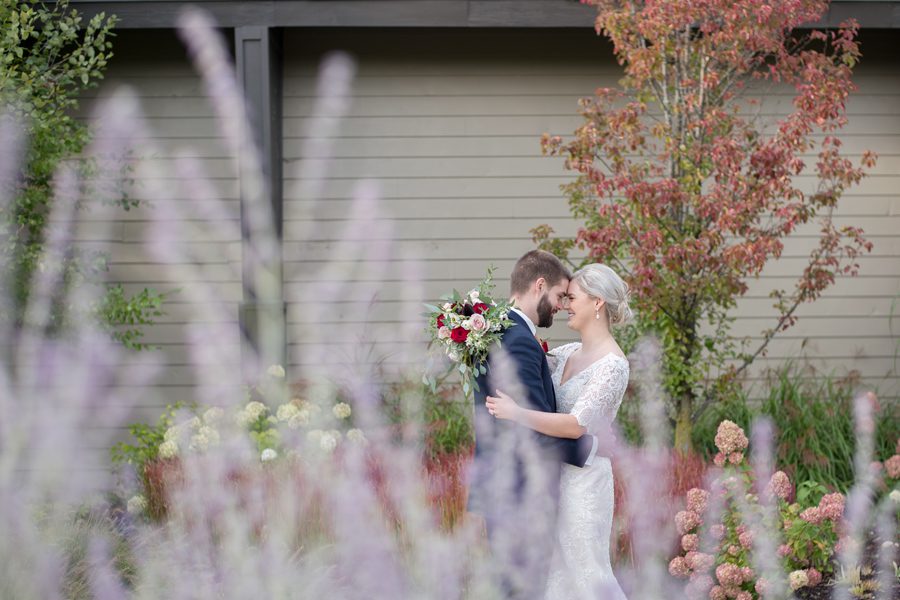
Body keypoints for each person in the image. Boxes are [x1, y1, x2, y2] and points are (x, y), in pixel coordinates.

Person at [486, 262, 631, 600]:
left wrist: (517, 413)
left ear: (597, 303)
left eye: (572, 298)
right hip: (551, 480)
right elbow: (520, 359)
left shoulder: (613, 365)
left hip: (585, 484)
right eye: (563, 298)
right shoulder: (565, 354)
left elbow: (575, 424)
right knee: (556, 577)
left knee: (586, 571)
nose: (565, 305)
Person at [468, 250, 597, 598]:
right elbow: (532, 429)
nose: (559, 306)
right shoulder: (519, 342)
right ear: (539, 285)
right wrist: (593, 451)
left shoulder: (498, 330)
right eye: (558, 296)